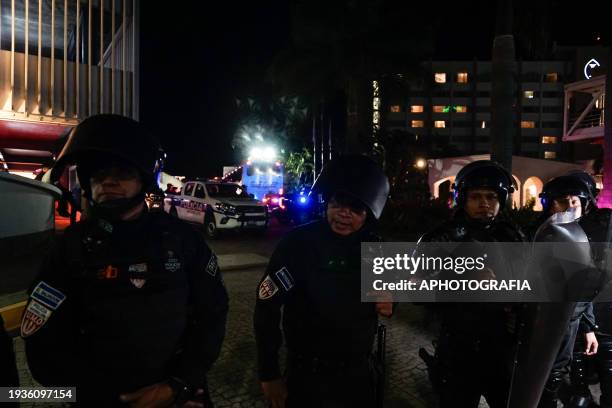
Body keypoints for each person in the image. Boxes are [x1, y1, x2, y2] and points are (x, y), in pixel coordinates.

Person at [21, 114, 229, 407]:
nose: (108, 182)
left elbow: (213, 313)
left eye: (121, 172)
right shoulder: (69, 247)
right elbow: (42, 341)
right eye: (97, 175)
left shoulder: (182, 240)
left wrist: (180, 384)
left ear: (143, 180)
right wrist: (97, 397)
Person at [254, 155, 392, 408]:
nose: (344, 214)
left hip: (358, 377)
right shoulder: (298, 244)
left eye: (356, 208)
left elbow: (384, 297)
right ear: (327, 201)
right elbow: (267, 308)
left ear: (368, 214)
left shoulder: (375, 247)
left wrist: (388, 300)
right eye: (338, 202)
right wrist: (269, 373)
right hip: (307, 376)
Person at [418, 160, 525, 408]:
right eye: (476, 196)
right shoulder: (441, 238)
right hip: (457, 349)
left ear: (502, 200)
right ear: (463, 198)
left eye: (491, 196)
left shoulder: (514, 237)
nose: (484, 203)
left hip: (501, 349)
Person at [534, 174, 598, 408]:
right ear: (551, 205)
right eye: (563, 201)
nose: (570, 207)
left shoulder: (581, 238)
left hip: (569, 324)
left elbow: (583, 289)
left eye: (575, 202)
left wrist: (588, 328)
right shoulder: (540, 235)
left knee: (555, 377)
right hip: (540, 324)